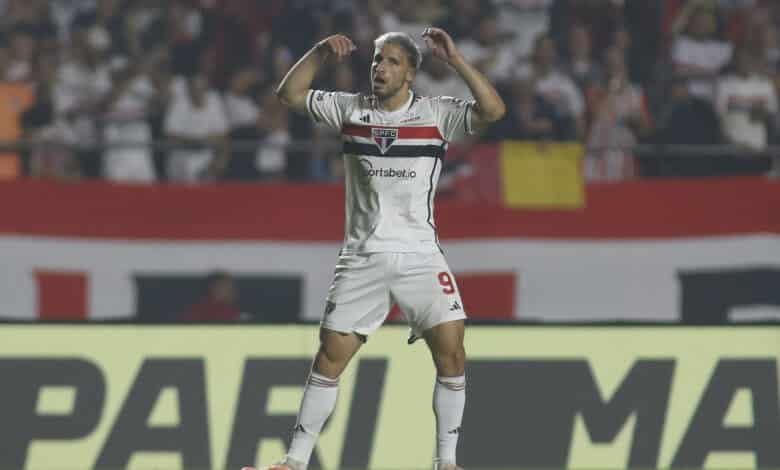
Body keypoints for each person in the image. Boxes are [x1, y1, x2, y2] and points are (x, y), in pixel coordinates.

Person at [242, 27, 505, 470]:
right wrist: (320, 49)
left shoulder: (436, 114)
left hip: (420, 254)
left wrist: (457, 60)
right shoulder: (350, 109)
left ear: (411, 74)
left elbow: (494, 110)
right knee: (330, 356)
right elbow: (290, 94)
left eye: (392, 62)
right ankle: (294, 462)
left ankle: (446, 462)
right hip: (363, 256)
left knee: (453, 349)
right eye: (377, 60)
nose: (380, 68)